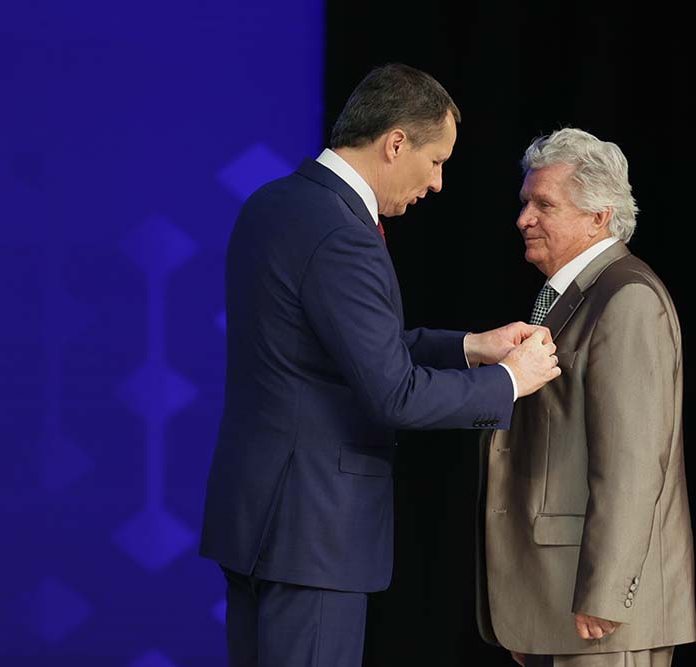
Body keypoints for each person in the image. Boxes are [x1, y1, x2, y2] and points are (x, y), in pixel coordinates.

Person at [199, 63, 560, 667]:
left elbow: (334, 350)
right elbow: (394, 394)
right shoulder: (344, 232)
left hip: (255, 522)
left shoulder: (272, 203)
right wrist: (509, 381)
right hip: (314, 536)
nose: (438, 183)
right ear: (395, 143)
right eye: (436, 160)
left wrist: (471, 346)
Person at [476, 128, 696, 667]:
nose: (523, 218)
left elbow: (634, 462)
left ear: (599, 217)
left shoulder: (627, 299)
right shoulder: (573, 296)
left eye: (543, 204)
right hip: (552, 601)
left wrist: (606, 590)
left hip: (600, 618)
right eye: (525, 202)